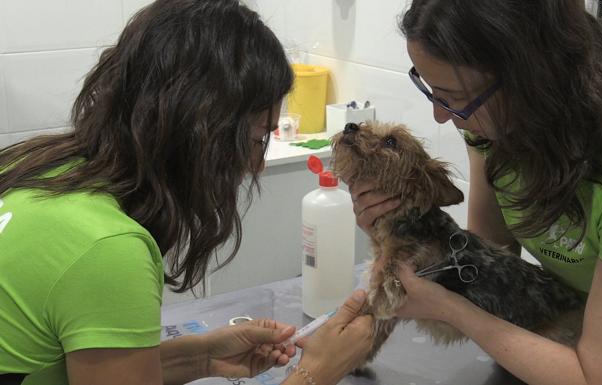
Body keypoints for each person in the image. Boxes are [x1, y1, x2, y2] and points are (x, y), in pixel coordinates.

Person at [0, 1, 373, 384]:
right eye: (257, 138)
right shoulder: (107, 249)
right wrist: (317, 372)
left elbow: (85, 361)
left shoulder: (38, 168)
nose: (257, 165)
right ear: (200, 130)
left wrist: (203, 356)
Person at [350, 0, 602, 384]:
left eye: (456, 98)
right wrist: (398, 231)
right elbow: (488, 252)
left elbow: (601, 378)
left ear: (531, 77)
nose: (442, 116)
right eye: (434, 92)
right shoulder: (492, 129)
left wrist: (450, 308)